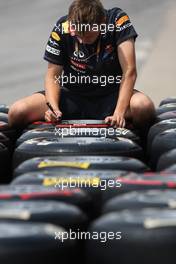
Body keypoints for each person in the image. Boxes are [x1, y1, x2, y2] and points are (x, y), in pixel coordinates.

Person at [8, 0, 155, 129]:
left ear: (102, 22)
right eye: (78, 35)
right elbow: (53, 76)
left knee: (143, 107)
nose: (82, 41)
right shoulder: (63, 27)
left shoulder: (117, 20)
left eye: (88, 36)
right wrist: (53, 108)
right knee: (17, 111)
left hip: (111, 97)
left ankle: (142, 146)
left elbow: (129, 71)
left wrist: (119, 113)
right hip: (72, 97)